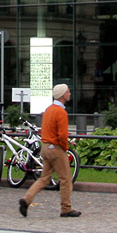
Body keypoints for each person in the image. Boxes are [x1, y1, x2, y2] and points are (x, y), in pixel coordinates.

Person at [18, 83, 79, 218]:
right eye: (68, 92)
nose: (69, 94)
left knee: (44, 179)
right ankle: (66, 208)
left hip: (45, 147)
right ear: (63, 95)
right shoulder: (61, 112)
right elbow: (62, 135)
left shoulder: (49, 110)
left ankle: (27, 199)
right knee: (66, 179)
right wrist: (65, 148)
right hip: (56, 148)